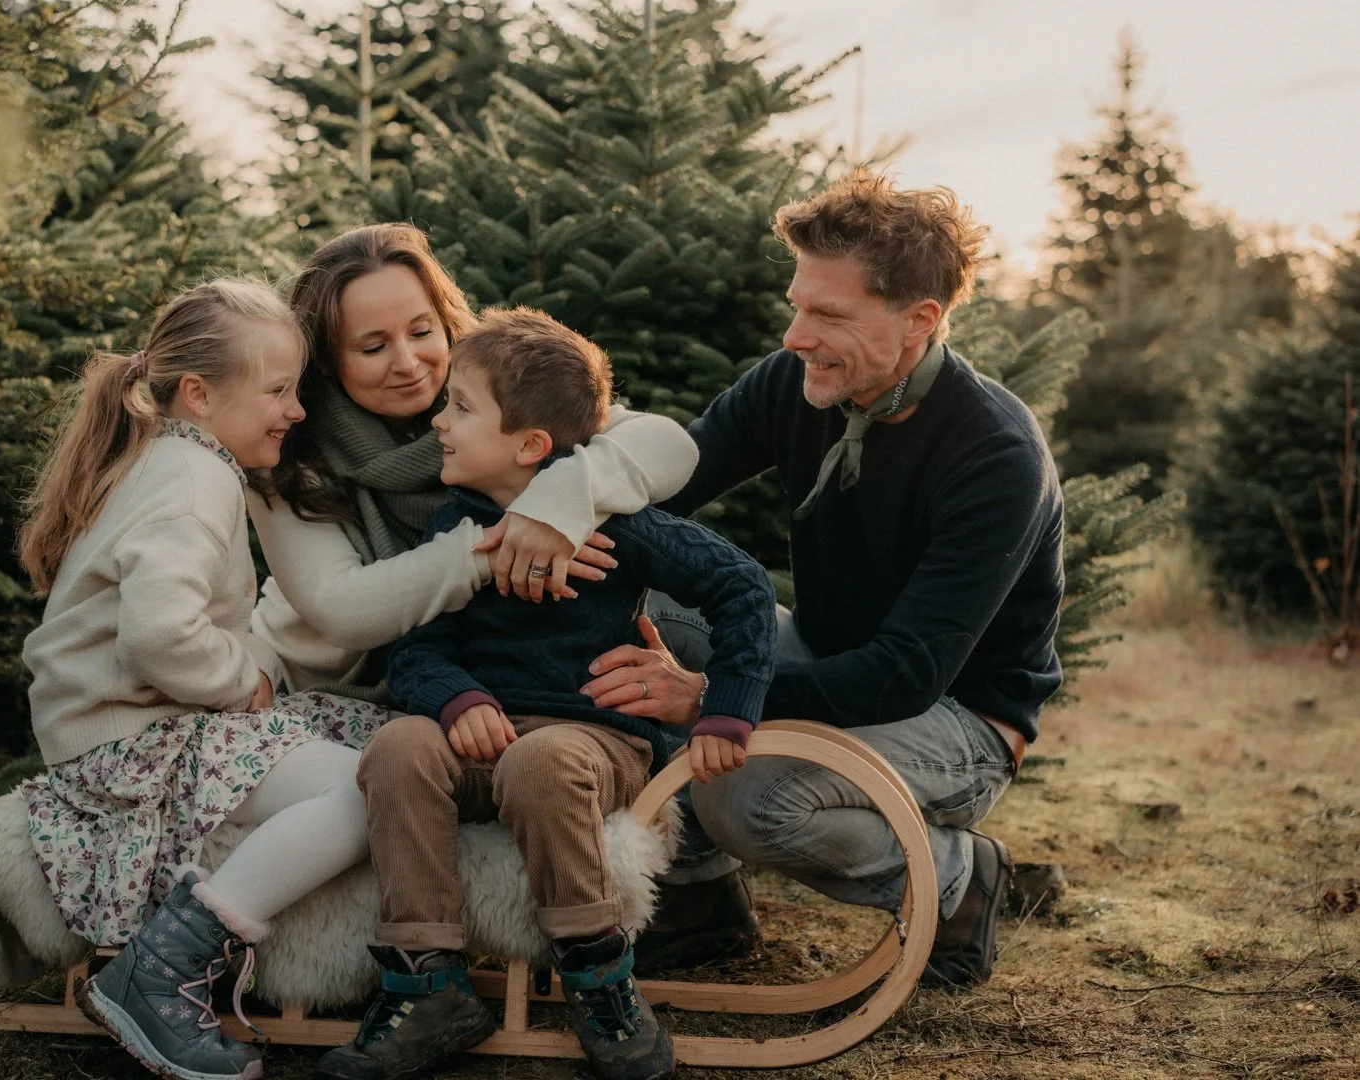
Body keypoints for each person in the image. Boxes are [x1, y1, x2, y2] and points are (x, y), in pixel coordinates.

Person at [581, 171, 1065, 988]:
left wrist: (709, 698)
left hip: (956, 719)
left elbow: (903, 675)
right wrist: (554, 519)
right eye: (797, 305)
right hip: (819, 650)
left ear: (921, 321)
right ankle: (698, 903)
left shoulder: (996, 457)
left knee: (745, 798)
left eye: (829, 315)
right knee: (634, 595)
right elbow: (661, 496)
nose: (798, 335)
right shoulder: (791, 385)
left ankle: (957, 880)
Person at [314, 308, 776, 1080]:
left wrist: (727, 705)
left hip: (592, 742)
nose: (439, 422)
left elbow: (741, 587)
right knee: (396, 745)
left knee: (543, 760)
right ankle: (426, 986)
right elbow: (419, 647)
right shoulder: (459, 527)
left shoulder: (617, 523)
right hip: (479, 739)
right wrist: (458, 700)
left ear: (530, 445)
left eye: (460, 408)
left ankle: (600, 980)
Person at [17, 280, 387, 1080]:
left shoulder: (170, 460)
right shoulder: (195, 477)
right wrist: (241, 682)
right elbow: (158, 635)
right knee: (369, 785)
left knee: (355, 734)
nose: (295, 410)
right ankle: (157, 975)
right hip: (129, 742)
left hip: (138, 725)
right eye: (279, 390)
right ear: (198, 394)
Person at [247, 224, 700, 701]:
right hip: (320, 685)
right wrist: (499, 546)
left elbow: (669, 444)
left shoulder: (491, 390)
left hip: (478, 673)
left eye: (422, 331)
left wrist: (554, 505)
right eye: (373, 347)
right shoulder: (286, 443)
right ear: (324, 360)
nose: (408, 362)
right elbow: (342, 611)